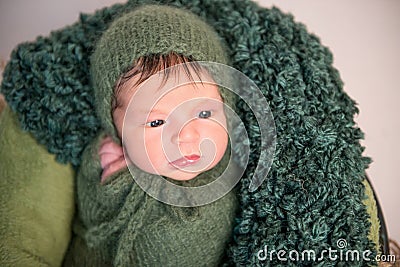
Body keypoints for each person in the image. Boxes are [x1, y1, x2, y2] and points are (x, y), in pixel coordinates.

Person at [63, 5, 239, 266]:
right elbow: (90, 215)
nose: (186, 136)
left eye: (204, 113)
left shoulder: (224, 180)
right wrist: (109, 178)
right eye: (156, 121)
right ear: (116, 129)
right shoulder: (108, 155)